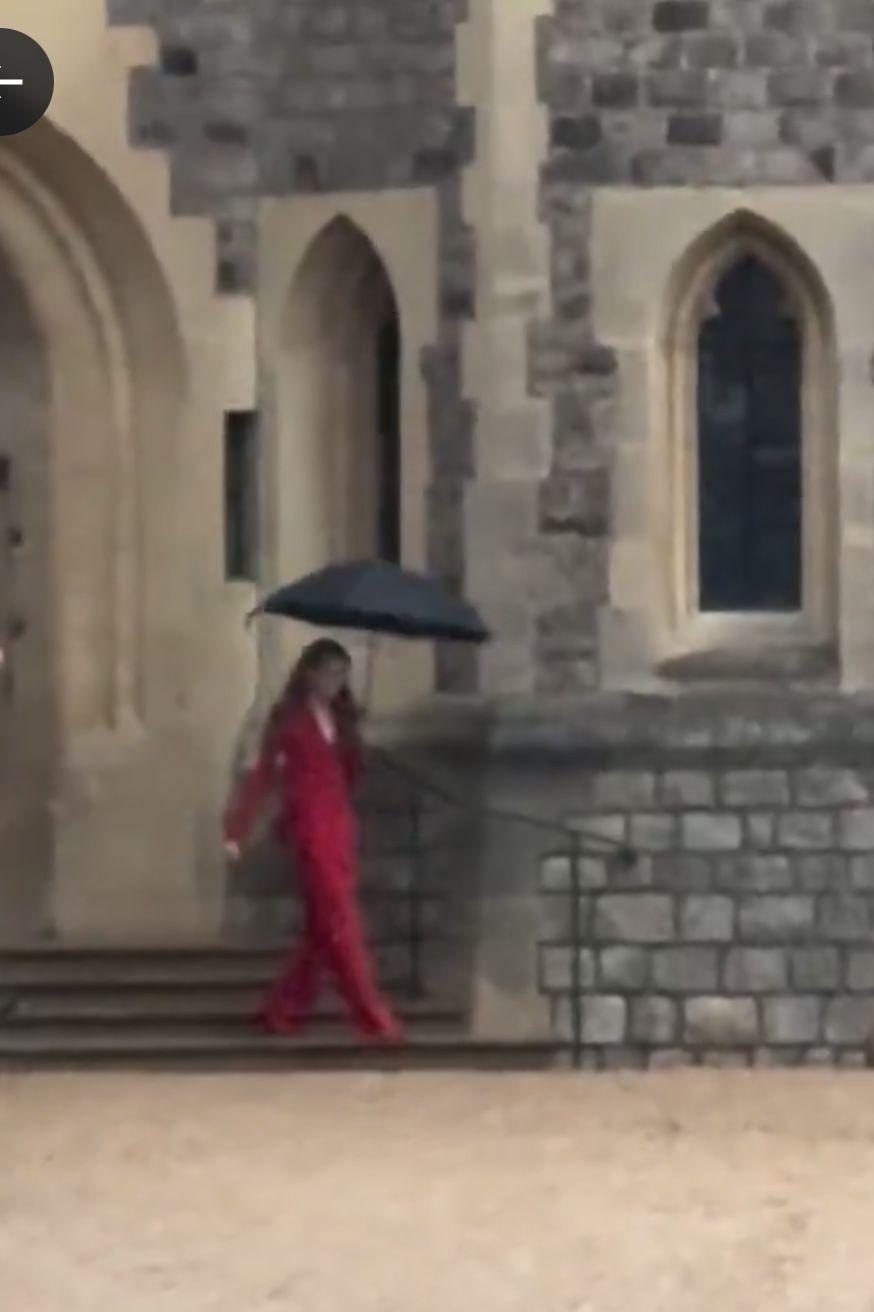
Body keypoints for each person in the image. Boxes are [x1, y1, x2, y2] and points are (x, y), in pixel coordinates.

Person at [223, 638, 403, 1043]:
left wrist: (359, 734)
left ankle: (281, 1009)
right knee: (340, 921)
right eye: (328, 673)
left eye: (341, 675)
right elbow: (263, 776)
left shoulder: (341, 720)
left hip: (340, 827)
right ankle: (373, 1016)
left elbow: (350, 775)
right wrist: (237, 829)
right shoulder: (289, 719)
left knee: (322, 931)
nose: (335, 682)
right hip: (310, 829)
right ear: (309, 673)